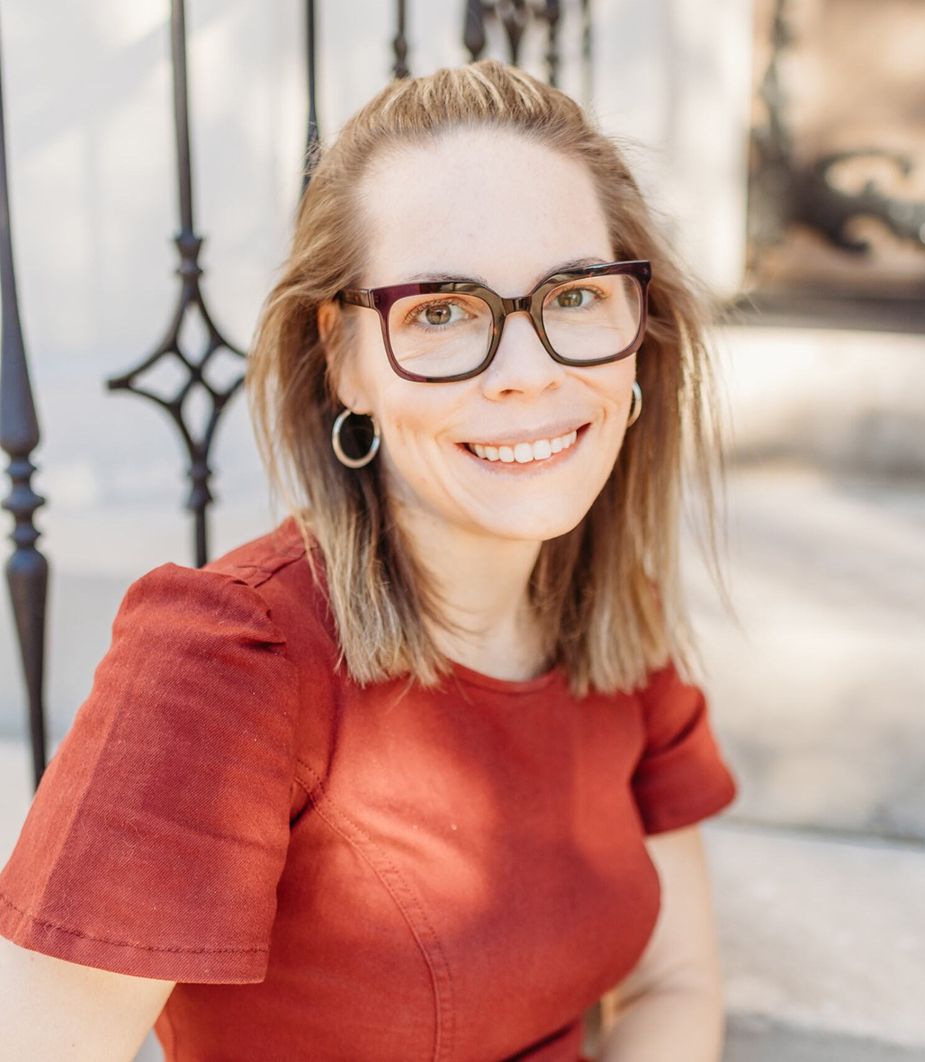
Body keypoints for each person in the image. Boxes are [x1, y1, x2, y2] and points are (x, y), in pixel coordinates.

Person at [0, 59, 738, 1062]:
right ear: (344, 358)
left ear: (635, 329)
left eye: (571, 295)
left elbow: (673, 982)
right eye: (438, 312)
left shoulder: (612, 614)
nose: (527, 374)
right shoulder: (224, 662)